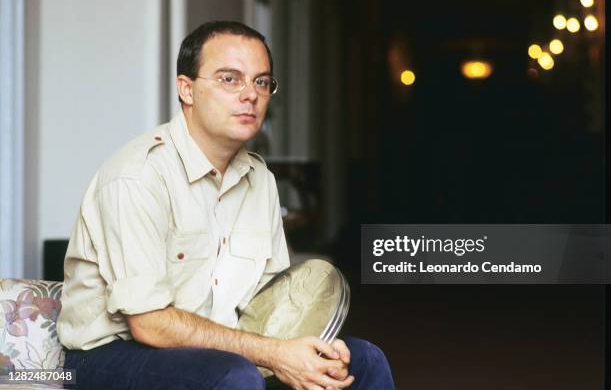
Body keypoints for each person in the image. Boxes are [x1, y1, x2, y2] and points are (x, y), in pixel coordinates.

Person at [58, 20, 394, 390]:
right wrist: (273, 354)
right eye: (229, 79)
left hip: (222, 351)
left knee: (362, 359)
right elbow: (149, 323)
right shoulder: (137, 178)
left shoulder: (260, 180)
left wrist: (308, 348)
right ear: (186, 89)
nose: (250, 94)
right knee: (235, 376)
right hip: (110, 356)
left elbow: (273, 305)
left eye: (261, 81)